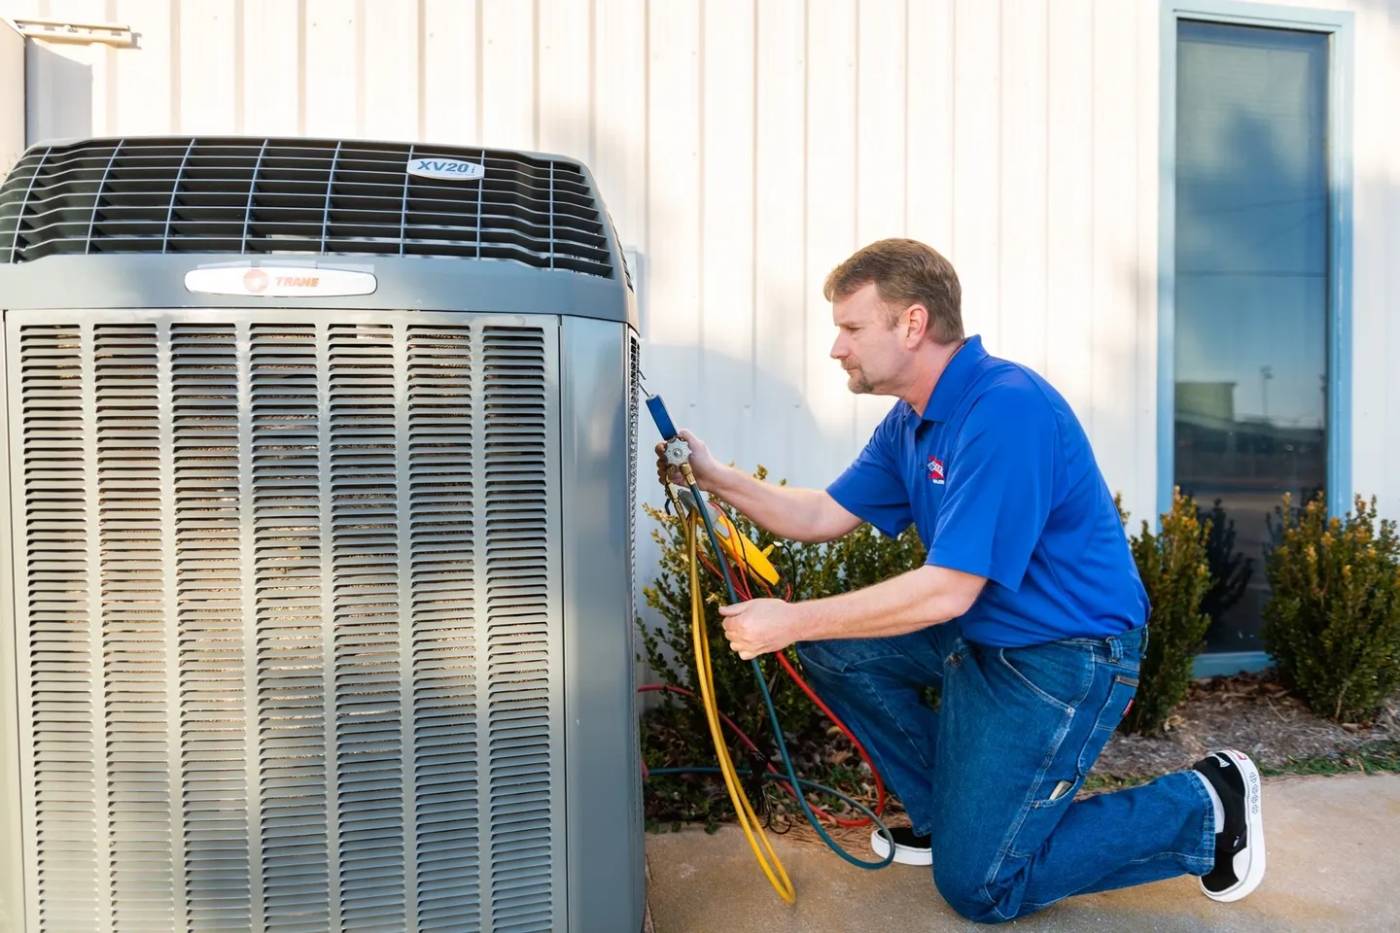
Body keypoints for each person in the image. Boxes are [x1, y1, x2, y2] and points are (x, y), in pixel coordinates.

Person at [654, 239, 1265, 922]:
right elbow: (824, 512)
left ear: (911, 324)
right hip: (984, 631)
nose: (836, 348)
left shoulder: (1005, 409)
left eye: (851, 328)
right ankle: (953, 815)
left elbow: (948, 588)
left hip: (1064, 652)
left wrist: (791, 619)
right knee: (835, 647)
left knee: (981, 887)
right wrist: (715, 476)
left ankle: (1201, 805)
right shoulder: (912, 421)